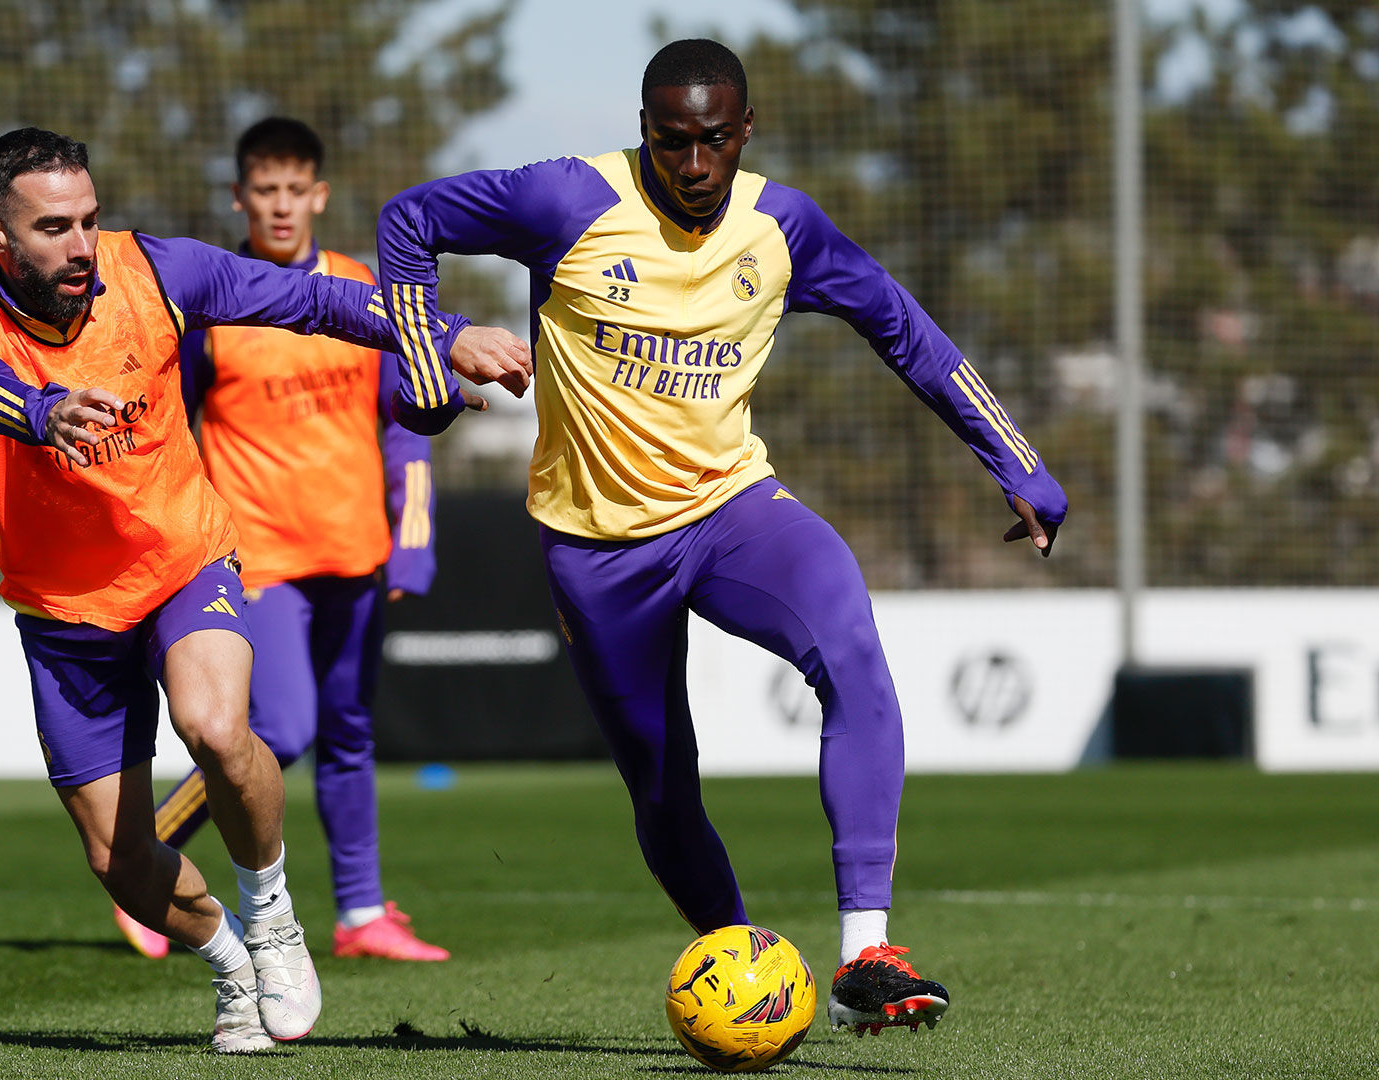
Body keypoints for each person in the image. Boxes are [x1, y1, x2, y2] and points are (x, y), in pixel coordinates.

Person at [374, 39, 1067, 1036]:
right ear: (643, 129)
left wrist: (1014, 458)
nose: (693, 167)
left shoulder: (783, 227)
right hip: (596, 552)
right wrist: (429, 349)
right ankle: (749, 973)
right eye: (670, 142)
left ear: (747, 131)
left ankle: (865, 950)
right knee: (662, 790)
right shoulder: (565, 201)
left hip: (732, 514)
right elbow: (411, 219)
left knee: (851, 646)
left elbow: (902, 328)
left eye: (712, 143)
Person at [0, 128, 485, 1052]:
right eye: (54, 227)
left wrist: (445, 335)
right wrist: (46, 413)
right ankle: (232, 963)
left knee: (219, 727)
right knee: (119, 860)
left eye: (90, 219)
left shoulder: (157, 271)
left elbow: (313, 298)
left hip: (185, 561)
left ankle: (276, 914)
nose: (83, 244)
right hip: (63, 613)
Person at [111, 117, 450, 964]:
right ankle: (145, 861)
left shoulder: (361, 286)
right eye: (265, 190)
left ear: (319, 196)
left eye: (296, 189)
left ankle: (363, 913)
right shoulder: (212, 308)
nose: (282, 205)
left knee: (350, 733)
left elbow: (404, 425)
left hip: (358, 550)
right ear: (241, 198)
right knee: (284, 732)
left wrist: (413, 538)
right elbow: (170, 429)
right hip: (256, 558)